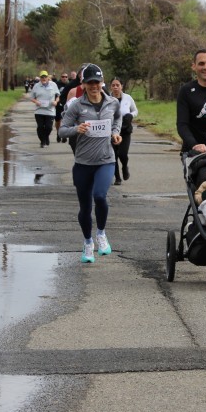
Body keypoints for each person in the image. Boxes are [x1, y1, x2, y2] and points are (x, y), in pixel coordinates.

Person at [56, 64, 122, 263]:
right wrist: (77, 129)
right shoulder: (76, 106)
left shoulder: (112, 102)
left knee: (100, 196)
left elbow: (117, 119)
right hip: (83, 162)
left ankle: (101, 234)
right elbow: (62, 130)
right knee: (85, 207)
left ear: (102, 82)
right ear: (83, 84)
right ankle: (87, 242)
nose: (94, 86)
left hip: (106, 160)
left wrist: (115, 133)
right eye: (90, 82)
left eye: (97, 82)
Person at [109, 77, 138, 185]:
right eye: (113, 85)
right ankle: (117, 178)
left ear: (121, 86)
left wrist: (131, 115)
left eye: (117, 85)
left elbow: (135, 110)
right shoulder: (107, 99)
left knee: (122, 154)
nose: (115, 87)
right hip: (111, 131)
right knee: (113, 155)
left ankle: (125, 167)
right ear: (110, 87)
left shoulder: (128, 98)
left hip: (125, 130)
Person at [28, 70, 59, 147]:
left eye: (45, 77)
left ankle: (46, 137)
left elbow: (58, 95)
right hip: (39, 110)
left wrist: (56, 102)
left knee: (49, 127)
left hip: (50, 110)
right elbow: (31, 97)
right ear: (40, 78)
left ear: (48, 77)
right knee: (40, 127)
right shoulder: (36, 86)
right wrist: (36, 101)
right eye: (42, 77)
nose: (44, 78)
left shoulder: (53, 84)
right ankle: (43, 141)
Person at [54, 72, 70, 141]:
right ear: (60, 77)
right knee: (58, 121)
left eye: (66, 77)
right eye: (63, 77)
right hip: (58, 104)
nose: (64, 78)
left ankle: (64, 135)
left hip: (66, 105)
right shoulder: (56, 84)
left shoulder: (69, 85)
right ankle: (58, 133)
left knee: (65, 120)